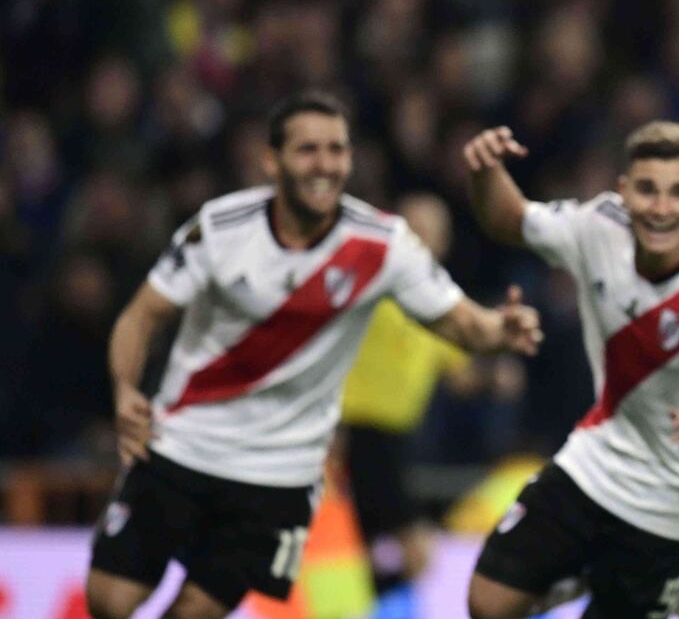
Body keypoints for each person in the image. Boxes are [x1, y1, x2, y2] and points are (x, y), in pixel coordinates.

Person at [86, 90, 542, 619]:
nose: (325, 165)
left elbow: (461, 323)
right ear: (271, 160)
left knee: (196, 612)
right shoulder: (221, 227)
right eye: (308, 150)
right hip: (183, 444)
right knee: (109, 599)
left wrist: (499, 329)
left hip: (280, 473)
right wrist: (123, 390)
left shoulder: (382, 244)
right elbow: (141, 315)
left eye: (337, 150)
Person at [461, 121, 679, 619]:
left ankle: (629, 580)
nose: (661, 209)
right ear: (623, 191)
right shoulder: (600, 225)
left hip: (676, 502)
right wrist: (486, 170)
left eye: (677, 193)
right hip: (598, 463)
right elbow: (509, 219)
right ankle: (592, 573)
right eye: (647, 190)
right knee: (486, 604)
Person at [336, 193, 473, 616]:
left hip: (399, 442)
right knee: (412, 551)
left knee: (375, 551)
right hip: (356, 433)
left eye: (431, 232)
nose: (422, 240)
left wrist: (499, 373)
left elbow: (460, 373)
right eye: (413, 229)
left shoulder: (441, 302)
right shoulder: (369, 287)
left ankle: (373, 600)